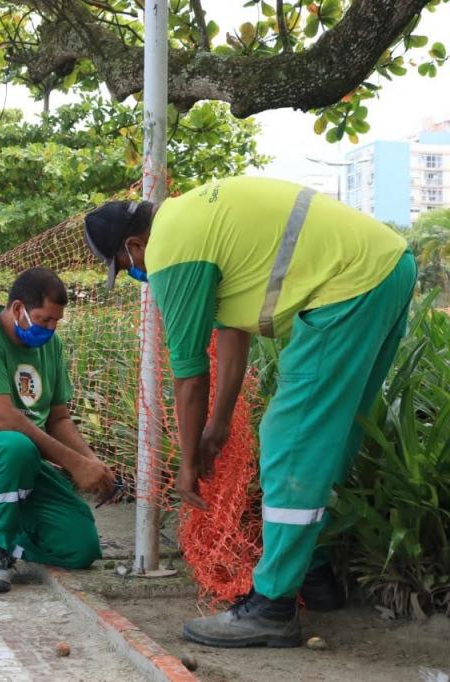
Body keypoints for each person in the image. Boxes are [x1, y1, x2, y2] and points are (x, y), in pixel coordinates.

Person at [83, 176, 416, 648]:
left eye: (125, 264)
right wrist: (216, 428)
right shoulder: (195, 220)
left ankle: (272, 607)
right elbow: (232, 335)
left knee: (289, 442)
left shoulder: (170, 250)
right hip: (388, 268)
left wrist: (188, 465)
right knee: (329, 441)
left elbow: (190, 373)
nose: (136, 273)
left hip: (346, 287)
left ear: (135, 245)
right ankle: (314, 572)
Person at [0, 267, 118, 593]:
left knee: (80, 547)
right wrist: (74, 465)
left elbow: (58, 418)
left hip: (23, 465)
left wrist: (91, 463)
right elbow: (2, 417)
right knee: (13, 445)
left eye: (56, 321)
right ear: (18, 309)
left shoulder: (51, 345)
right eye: (44, 319)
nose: (50, 328)